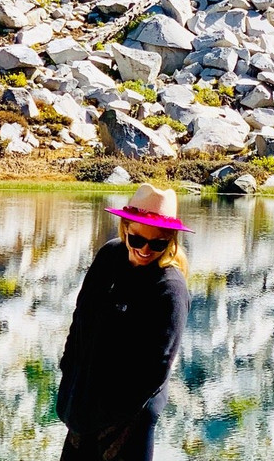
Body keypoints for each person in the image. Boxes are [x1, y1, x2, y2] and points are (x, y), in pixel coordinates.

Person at [57, 184, 193, 461]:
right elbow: (81, 318)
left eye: (157, 243)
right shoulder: (109, 256)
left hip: (130, 415)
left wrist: (107, 414)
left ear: (170, 240)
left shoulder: (170, 289)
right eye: (137, 239)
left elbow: (156, 369)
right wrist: (69, 374)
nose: (145, 250)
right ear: (125, 228)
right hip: (84, 401)